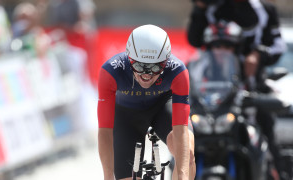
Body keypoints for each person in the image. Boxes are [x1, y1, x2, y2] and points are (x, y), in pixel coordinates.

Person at [187, 0, 288, 179]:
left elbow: (279, 46)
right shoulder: (212, 8)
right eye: (217, 46)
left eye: (227, 46)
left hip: (251, 86)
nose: (222, 51)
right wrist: (200, 7)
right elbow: (194, 39)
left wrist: (259, 54)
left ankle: (278, 173)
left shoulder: (265, 10)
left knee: (265, 133)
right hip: (215, 94)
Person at [97, 24, 196, 180]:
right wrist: (108, 176)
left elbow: (180, 130)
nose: (146, 75)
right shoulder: (111, 70)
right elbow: (105, 131)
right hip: (126, 116)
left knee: (188, 154)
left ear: (166, 62)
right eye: (138, 66)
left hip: (162, 107)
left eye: (155, 68)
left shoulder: (178, 70)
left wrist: (183, 176)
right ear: (129, 59)